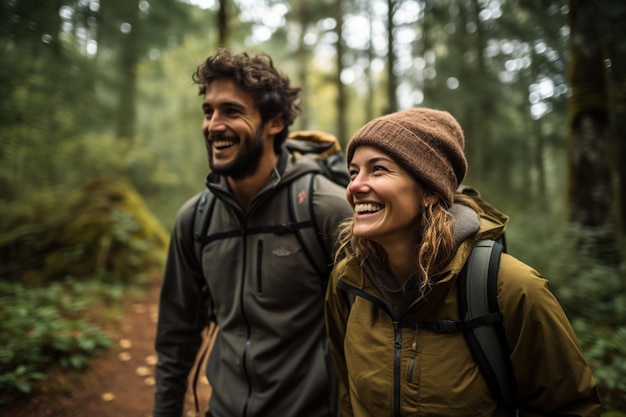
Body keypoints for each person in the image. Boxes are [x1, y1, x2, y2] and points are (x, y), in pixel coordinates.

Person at [324, 108, 602, 417]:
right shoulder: (348, 282)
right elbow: (347, 396)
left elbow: (570, 407)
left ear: (429, 190)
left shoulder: (510, 287)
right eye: (353, 172)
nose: (354, 186)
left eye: (377, 169)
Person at [153, 48, 352, 417]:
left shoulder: (325, 209)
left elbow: (370, 335)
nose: (214, 125)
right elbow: (175, 337)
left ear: (274, 122)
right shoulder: (194, 220)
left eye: (231, 111)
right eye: (208, 111)